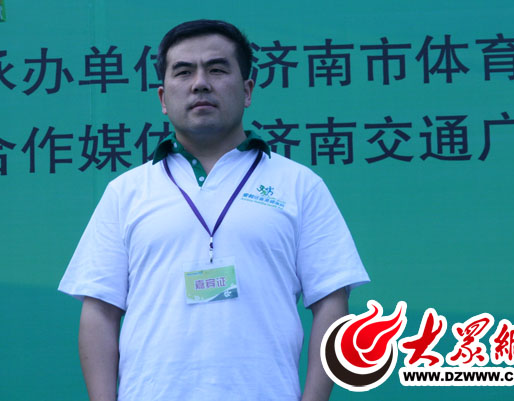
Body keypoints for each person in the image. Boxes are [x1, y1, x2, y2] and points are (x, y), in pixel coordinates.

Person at [59, 19, 369, 401]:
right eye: (183, 72)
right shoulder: (126, 192)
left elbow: (332, 302)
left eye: (217, 69)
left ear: (247, 90)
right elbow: (99, 312)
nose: (200, 83)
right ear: (162, 98)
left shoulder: (299, 184)